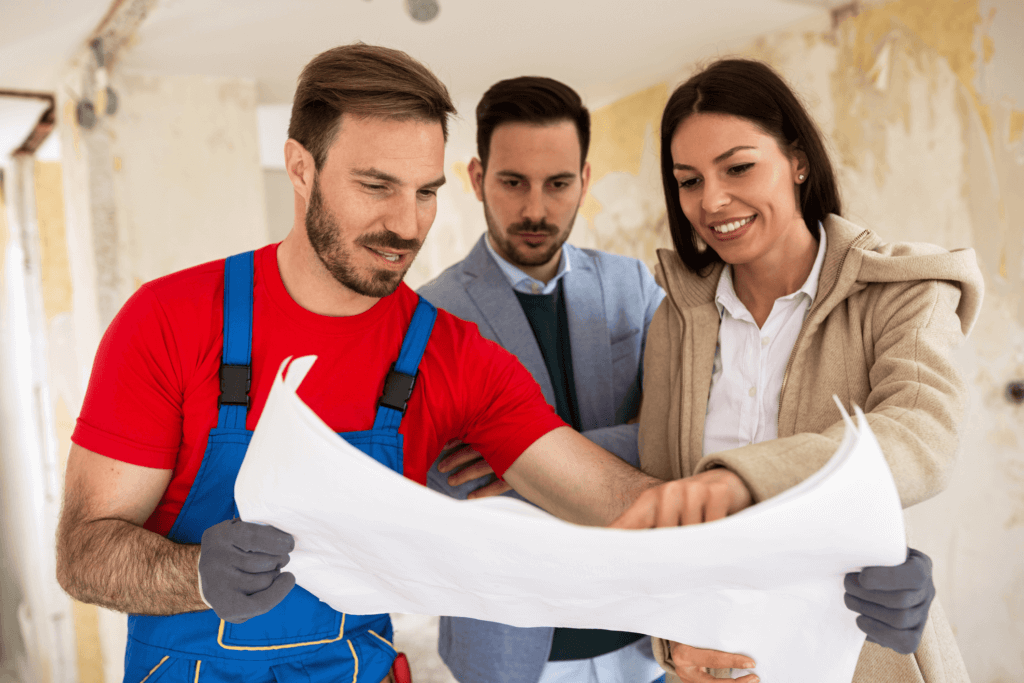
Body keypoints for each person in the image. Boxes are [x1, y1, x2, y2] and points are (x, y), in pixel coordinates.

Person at [53, 44, 688, 683]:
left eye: (426, 193)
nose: (406, 225)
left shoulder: (452, 355)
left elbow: (612, 498)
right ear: (301, 168)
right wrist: (190, 573)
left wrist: (758, 502)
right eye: (376, 186)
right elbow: (83, 553)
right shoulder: (171, 321)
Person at [619, 58, 981, 682]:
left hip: (864, 656)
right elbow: (663, 516)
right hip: (722, 661)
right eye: (688, 180)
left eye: (738, 167)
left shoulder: (902, 289)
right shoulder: (675, 320)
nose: (712, 201)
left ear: (798, 161)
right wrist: (671, 647)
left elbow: (922, 434)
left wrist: (740, 482)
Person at [418, 76, 667, 683]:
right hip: (511, 649)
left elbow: (683, 433)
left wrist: (520, 456)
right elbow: (441, 480)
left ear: (584, 179)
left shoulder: (632, 286)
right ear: (476, 179)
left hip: (644, 632)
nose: (536, 209)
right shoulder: (427, 315)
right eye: (512, 183)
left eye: (558, 184)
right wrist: (621, 444)